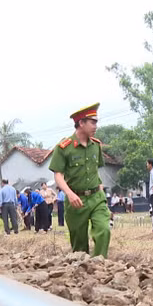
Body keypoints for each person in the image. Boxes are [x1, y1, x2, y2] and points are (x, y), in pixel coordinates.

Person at [49, 103, 111, 257]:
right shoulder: (64, 147)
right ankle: (83, 274)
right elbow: (58, 175)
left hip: (96, 197)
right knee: (79, 245)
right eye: (92, 122)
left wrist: (102, 193)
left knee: (104, 230)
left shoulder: (96, 146)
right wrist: (69, 194)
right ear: (81, 123)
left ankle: (100, 266)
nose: (95, 126)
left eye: (96, 122)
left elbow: (96, 171)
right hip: (76, 199)